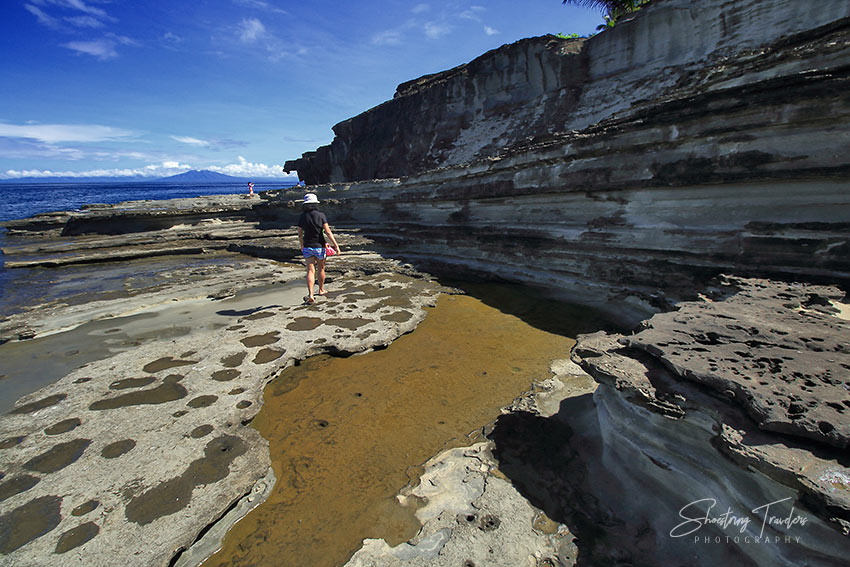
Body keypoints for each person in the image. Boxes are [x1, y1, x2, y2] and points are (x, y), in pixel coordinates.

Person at [297, 193, 340, 304]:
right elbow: (328, 232)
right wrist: (336, 245)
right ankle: (321, 290)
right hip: (319, 247)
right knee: (321, 269)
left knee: (310, 270)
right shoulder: (321, 215)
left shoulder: (302, 217)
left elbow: (300, 234)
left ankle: (311, 294)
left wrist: (301, 244)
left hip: (307, 246)